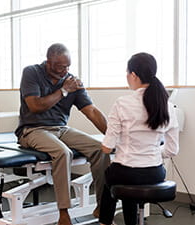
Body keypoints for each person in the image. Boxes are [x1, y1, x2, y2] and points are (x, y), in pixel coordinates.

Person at [15, 43, 111, 225]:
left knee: (100, 149)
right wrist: (63, 91)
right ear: (48, 62)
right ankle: (64, 213)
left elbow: (91, 111)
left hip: (60, 129)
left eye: (68, 66)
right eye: (61, 67)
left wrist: (113, 135)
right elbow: (35, 106)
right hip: (32, 129)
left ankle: (103, 206)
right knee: (62, 152)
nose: (65, 71)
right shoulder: (32, 73)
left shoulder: (71, 81)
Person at [98, 52, 179, 225]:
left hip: (126, 171)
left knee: (111, 176)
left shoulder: (122, 103)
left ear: (133, 75)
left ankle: (104, 222)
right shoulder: (168, 106)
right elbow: (172, 150)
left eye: (127, 73)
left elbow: (106, 147)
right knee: (123, 178)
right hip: (156, 173)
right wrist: (152, 152)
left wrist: (121, 147)